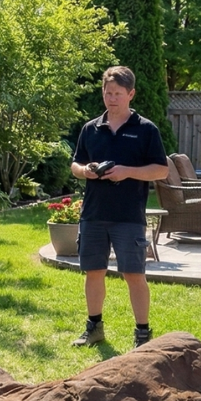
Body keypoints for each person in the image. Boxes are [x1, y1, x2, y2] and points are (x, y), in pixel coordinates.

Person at [69, 66, 170, 348]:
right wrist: (85, 170)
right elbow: (75, 164)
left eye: (118, 93)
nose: (111, 98)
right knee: (93, 271)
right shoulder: (91, 129)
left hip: (129, 215)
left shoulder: (146, 130)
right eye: (107, 92)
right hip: (93, 213)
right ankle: (94, 327)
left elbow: (161, 170)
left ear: (131, 94)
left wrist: (127, 171)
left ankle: (142, 334)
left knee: (134, 274)